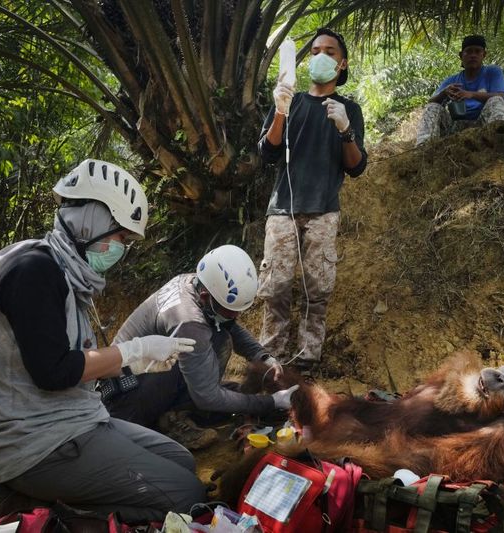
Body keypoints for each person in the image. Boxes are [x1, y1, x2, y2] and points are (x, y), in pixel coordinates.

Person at [0, 159, 206, 523]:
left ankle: (59, 500)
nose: (121, 249)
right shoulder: (34, 272)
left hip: (72, 419)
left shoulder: (63, 272)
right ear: (91, 220)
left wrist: (133, 360)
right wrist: (134, 352)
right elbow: (52, 372)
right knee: (189, 495)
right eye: (120, 237)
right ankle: (44, 510)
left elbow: (68, 361)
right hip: (38, 442)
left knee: (182, 461)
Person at [102, 244, 300, 449]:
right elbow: (208, 397)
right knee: (219, 343)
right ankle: (172, 420)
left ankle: (175, 410)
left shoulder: (196, 283)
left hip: (140, 384)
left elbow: (229, 324)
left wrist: (263, 356)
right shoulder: (188, 321)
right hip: (127, 403)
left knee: (224, 354)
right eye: (232, 311)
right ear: (206, 297)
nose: (237, 317)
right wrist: (271, 403)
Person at [258, 27, 367, 373]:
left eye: (330, 52)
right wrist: (280, 110)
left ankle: (306, 359)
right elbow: (267, 152)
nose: (321, 56)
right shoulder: (292, 102)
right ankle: (270, 358)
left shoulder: (348, 109)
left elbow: (357, 167)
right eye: (316, 50)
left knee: (317, 288)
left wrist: (345, 129)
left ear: (342, 62)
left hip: (324, 211)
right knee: (275, 286)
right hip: (282, 210)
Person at [416, 35, 504, 145]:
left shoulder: (492, 72)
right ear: (461, 56)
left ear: (484, 55)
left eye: (477, 51)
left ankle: (498, 143)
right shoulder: (452, 80)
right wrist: (444, 93)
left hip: (482, 125)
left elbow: (500, 96)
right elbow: (431, 101)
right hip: (455, 127)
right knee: (432, 107)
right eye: (469, 52)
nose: (473, 55)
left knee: (496, 100)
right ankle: (423, 149)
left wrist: (471, 94)